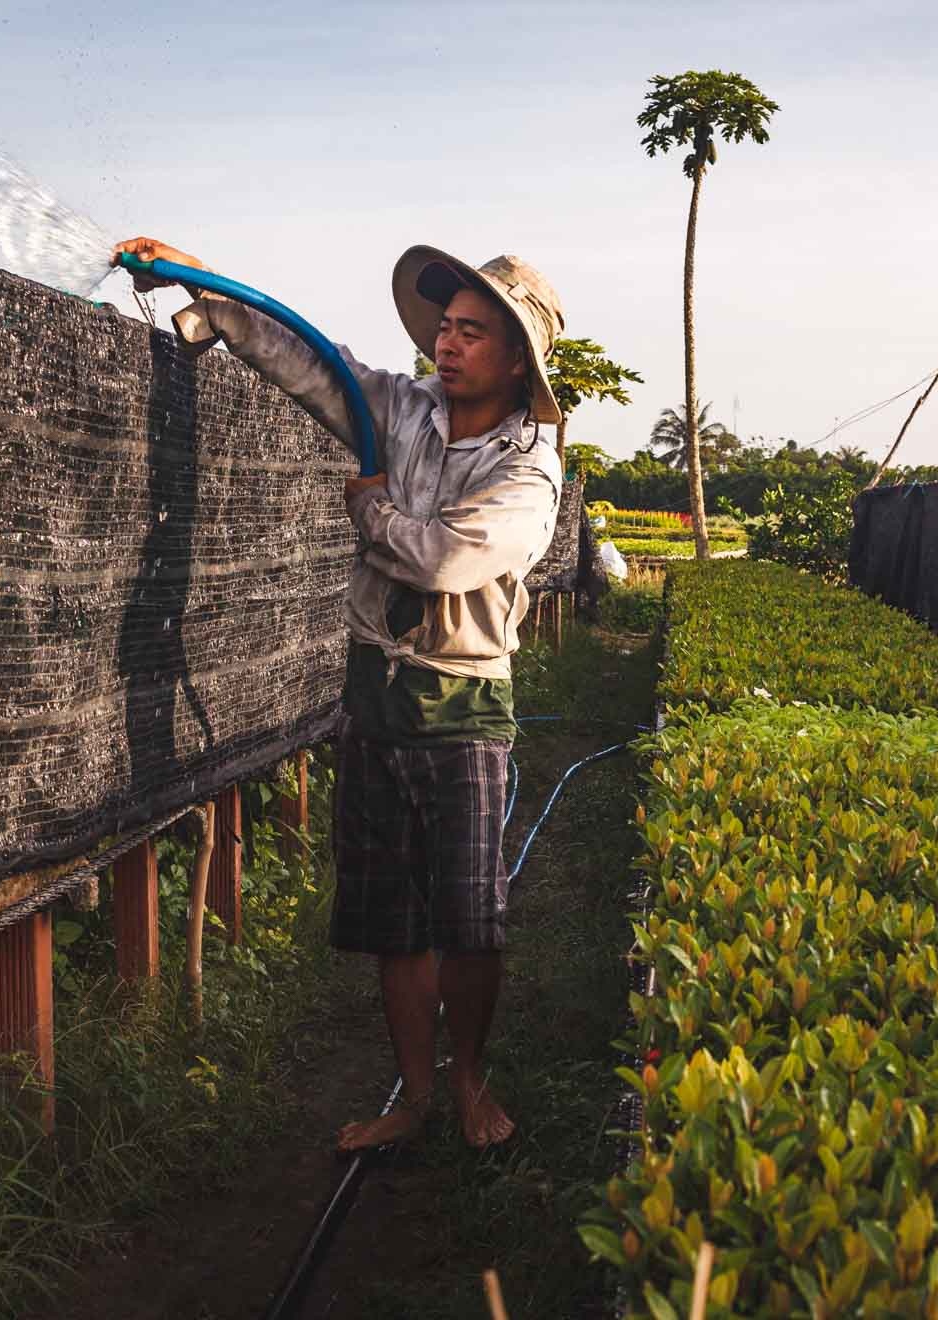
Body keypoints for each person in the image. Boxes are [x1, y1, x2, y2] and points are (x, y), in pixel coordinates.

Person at [112, 236, 566, 1150]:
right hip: (375, 696)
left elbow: (444, 560)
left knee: (470, 921)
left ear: (517, 359)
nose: (449, 343)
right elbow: (311, 364)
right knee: (396, 921)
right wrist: (201, 281)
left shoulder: (529, 471)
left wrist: (370, 508)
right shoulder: (402, 410)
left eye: (474, 333)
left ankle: (471, 1081)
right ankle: (413, 1095)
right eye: (447, 326)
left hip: (460, 705)